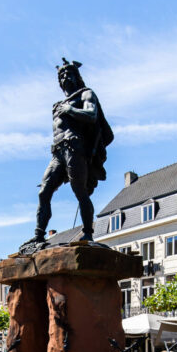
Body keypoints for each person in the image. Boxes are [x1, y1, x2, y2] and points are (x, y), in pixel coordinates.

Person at [30, 59, 113, 248]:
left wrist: (70, 109)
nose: (65, 77)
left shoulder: (85, 94)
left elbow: (92, 115)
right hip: (57, 151)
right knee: (44, 191)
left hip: (75, 148)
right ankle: (38, 236)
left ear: (77, 77)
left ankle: (88, 233)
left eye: (69, 74)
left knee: (80, 192)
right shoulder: (56, 105)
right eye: (61, 75)